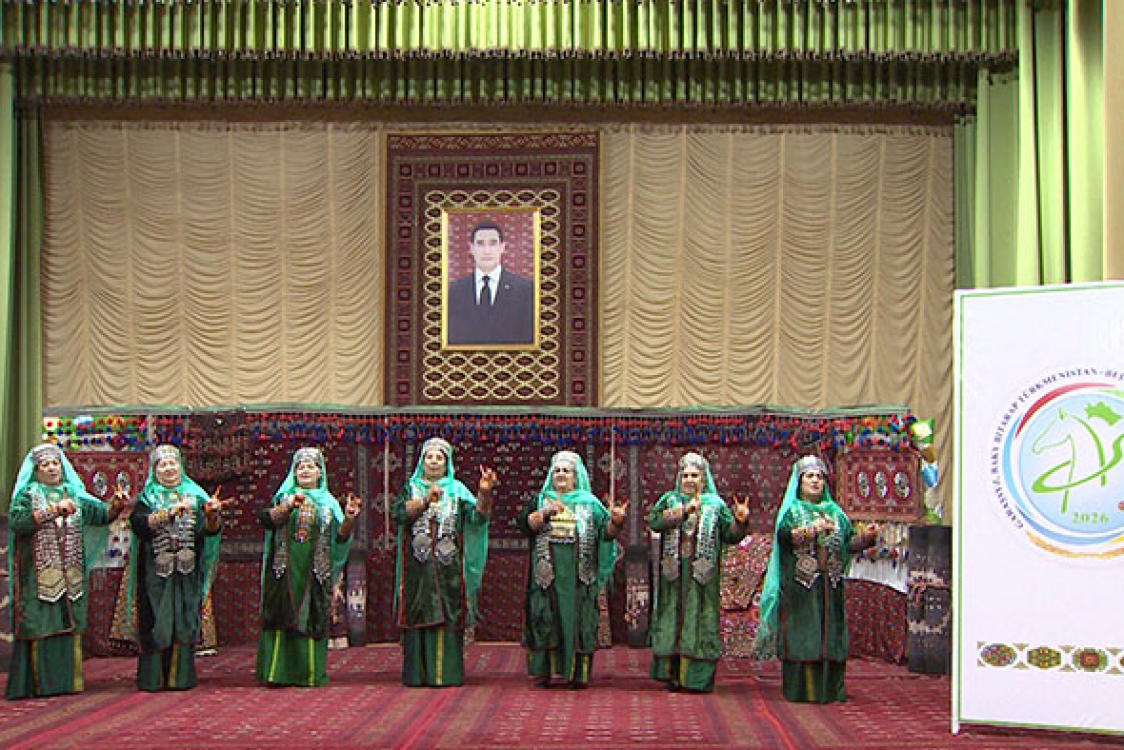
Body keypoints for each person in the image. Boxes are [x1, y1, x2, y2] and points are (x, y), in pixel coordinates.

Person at [754, 455, 880, 703]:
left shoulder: (837, 514)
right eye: (809, 476)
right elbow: (785, 537)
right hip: (800, 591)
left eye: (819, 477)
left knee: (830, 637)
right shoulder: (792, 512)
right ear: (799, 482)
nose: (815, 481)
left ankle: (831, 691)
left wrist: (867, 538)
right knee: (804, 638)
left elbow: (847, 545)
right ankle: (801, 692)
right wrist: (813, 530)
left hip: (830, 589)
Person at [6, 443, 126, 699]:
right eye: (45, 465)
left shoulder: (74, 493)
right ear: (36, 470)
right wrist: (52, 511)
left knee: (68, 623)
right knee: (39, 623)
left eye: (55, 463)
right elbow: (17, 521)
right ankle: (37, 684)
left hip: (70, 575)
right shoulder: (27, 494)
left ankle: (65, 682)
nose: (52, 468)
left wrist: (115, 505)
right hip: (36, 576)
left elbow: (100, 514)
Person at [391, 437, 495, 687]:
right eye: (429, 457)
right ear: (422, 461)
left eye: (439, 457)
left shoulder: (457, 490)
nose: (434, 462)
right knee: (417, 615)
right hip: (417, 569)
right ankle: (417, 676)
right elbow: (398, 514)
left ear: (447, 462)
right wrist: (425, 500)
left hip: (448, 570)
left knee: (448, 615)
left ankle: (445, 675)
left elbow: (477, 518)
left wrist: (484, 492)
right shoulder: (411, 488)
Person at [518, 449, 626, 688]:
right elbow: (525, 525)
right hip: (547, 575)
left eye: (566, 471)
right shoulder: (540, 501)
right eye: (557, 471)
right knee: (545, 617)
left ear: (576, 477)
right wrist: (545, 513)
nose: (561, 475)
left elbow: (605, 534)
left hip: (578, 576)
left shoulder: (590, 504)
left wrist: (617, 522)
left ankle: (578, 674)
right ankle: (544, 672)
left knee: (580, 620)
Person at [256, 446, 361, 687]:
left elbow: (340, 538)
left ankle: (308, 674)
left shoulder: (329, 503)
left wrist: (349, 518)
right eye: (300, 467)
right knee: (281, 614)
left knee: (310, 616)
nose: (305, 471)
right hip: (284, 569)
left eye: (311, 467)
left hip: (315, 570)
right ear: (293, 473)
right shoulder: (284, 497)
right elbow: (266, 519)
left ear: (320, 473)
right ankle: (277, 674)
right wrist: (288, 506)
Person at [646, 451, 750, 693]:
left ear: (703, 479)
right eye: (685, 476)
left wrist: (740, 521)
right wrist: (683, 511)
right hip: (673, 574)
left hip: (702, 577)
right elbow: (654, 522)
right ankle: (672, 675)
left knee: (700, 621)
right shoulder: (670, 500)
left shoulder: (715, 505)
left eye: (695, 475)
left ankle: (696, 680)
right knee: (672, 620)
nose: (690, 480)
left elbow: (730, 535)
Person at [129, 444, 223, 691]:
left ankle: (181, 678)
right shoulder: (147, 498)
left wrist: (212, 515)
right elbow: (138, 525)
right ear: (155, 470)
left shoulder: (196, 496)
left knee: (184, 618)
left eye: (173, 463)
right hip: (155, 573)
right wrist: (168, 514)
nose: (169, 468)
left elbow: (206, 531)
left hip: (187, 571)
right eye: (163, 465)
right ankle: (153, 679)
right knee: (157, 620)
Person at [446, 219, 535, 346]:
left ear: (502, 247)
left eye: (493, 243)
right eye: (480, 243)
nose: (486, 251)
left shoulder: (524, 290)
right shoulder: (454, 291)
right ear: (471, 248)